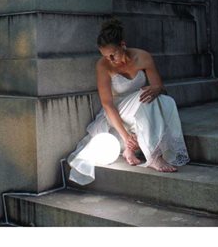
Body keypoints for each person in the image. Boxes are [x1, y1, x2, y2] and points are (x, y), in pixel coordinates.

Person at [67, 17, 190, 185]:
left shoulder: (143, 57)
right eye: (106, 56)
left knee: (165, 101)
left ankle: (139, 151)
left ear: (123, 45)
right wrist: (125, 137)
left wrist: (157, 88)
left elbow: (159, 87)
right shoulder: (103, 66)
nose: (110, 59)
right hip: (118, 110)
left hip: (142, 105)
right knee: (145, 98)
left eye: (113, 55)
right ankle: (153, 156)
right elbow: (107, 104)